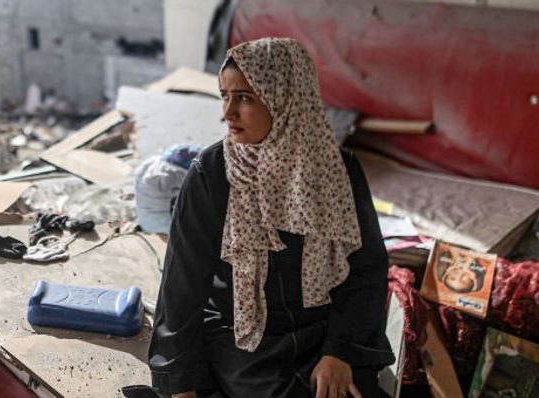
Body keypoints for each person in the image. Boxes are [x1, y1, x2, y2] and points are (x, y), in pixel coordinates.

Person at [147, 38, 394, 398]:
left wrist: (339, 353)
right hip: (246, 338)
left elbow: (366, 272)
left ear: (288, 98)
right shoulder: (213, 174)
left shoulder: (338, 171)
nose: (228, 113)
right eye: (224, 96)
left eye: (245, 97)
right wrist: (181, 382)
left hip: (325, 332)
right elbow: (182, 287)